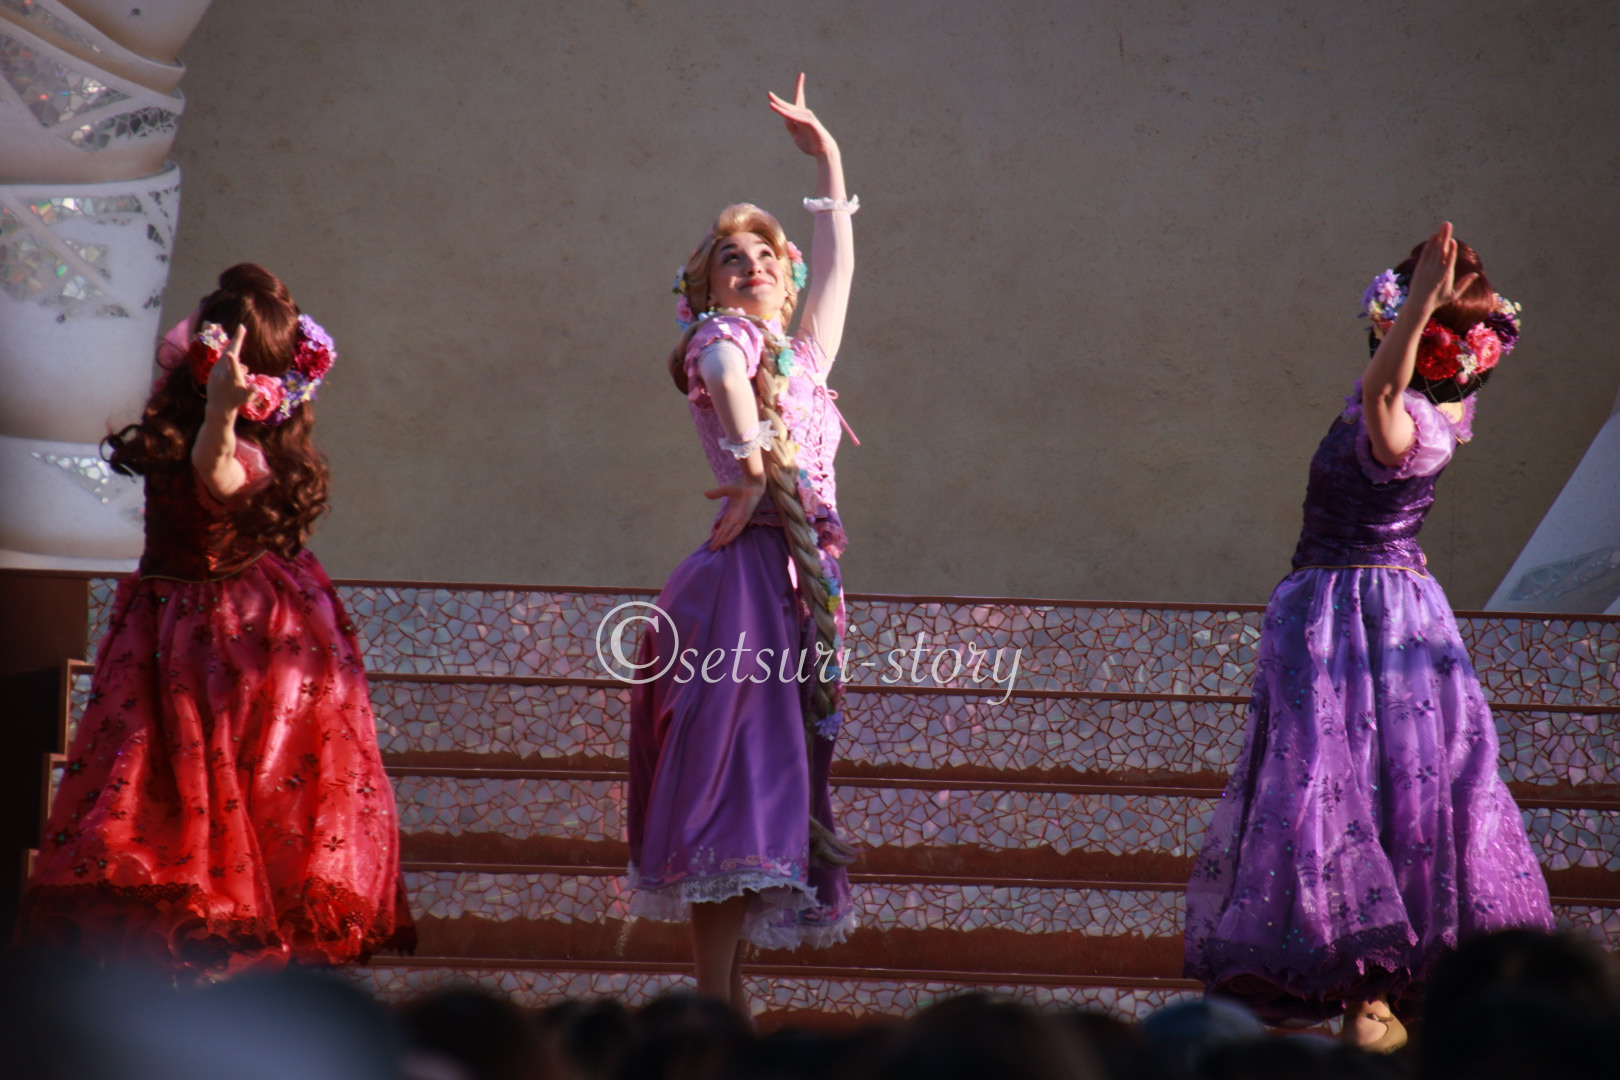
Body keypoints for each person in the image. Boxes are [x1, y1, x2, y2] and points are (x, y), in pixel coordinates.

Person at [1183, 224, 1556, 1049]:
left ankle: (1377, 998)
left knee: (1384, 782)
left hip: (1364, 616)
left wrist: (1419, 306)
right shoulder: (1425, 408)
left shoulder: (1413, 421)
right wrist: (1426, 308)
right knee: (1351, 783)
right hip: (1344, 608)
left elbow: (1388, 389)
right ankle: (1369, 1000)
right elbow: (1387, 382)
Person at [17, 263, 414, 977]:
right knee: (165, 795)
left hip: (241, 646)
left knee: (242, 797)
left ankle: (237, 967)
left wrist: (222, 415)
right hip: (176, 636)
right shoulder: (184, 430)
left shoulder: (230, 445)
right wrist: (218, 411)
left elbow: (218, 469)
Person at [626, 74, 860, 1012]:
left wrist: (829, 160)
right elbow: (724, 369)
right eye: (732, 258)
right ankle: (714, 1010)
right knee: (734, 793)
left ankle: (726, 1006)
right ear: (708, 286)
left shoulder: (801, 355)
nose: (752, 265)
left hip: (796, 589)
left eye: (765, 254)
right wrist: (757, 465)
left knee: (768, 794)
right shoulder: (725, 339)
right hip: (743, 591)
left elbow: (836, 269)